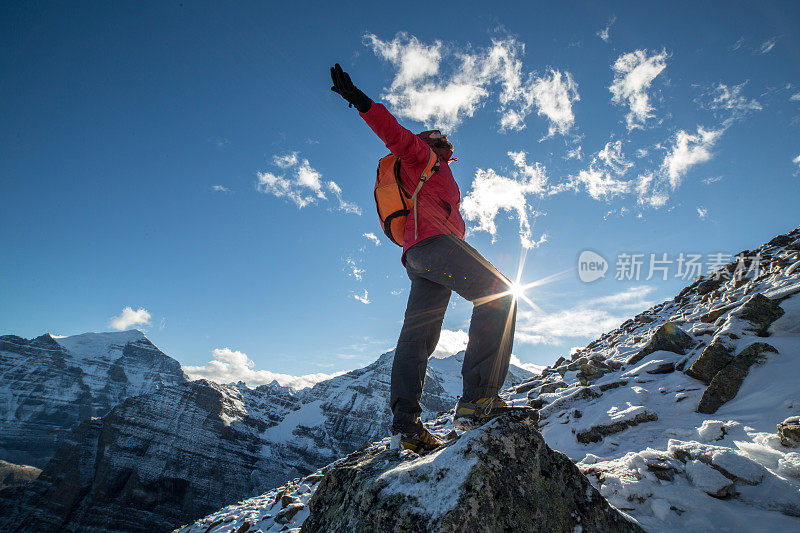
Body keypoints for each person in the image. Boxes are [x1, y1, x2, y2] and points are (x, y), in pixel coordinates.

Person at [330, 64, 527, 454]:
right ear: (427, 141)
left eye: (443, 136)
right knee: (500, 293)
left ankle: (406, 426)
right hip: (433, 247)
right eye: (437, 134)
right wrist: (363, 103)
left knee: (417, 336)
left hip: (419, 257)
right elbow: (396, 135)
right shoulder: (420, 157)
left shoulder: (438, 171)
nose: (443, 137)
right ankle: (478, 400)